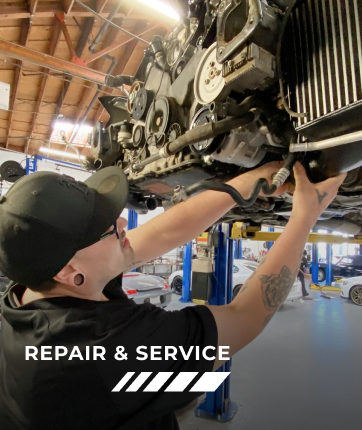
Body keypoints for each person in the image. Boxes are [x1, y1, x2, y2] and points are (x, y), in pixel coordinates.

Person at [0, 162, 345, 430]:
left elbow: (163, 232)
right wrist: (305, 216)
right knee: (204, 377)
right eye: (106, 229)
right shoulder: (103, 348)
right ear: (67, 271)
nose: (122, 223)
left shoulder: (34, 293)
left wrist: (244, 184)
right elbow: (247, 315)